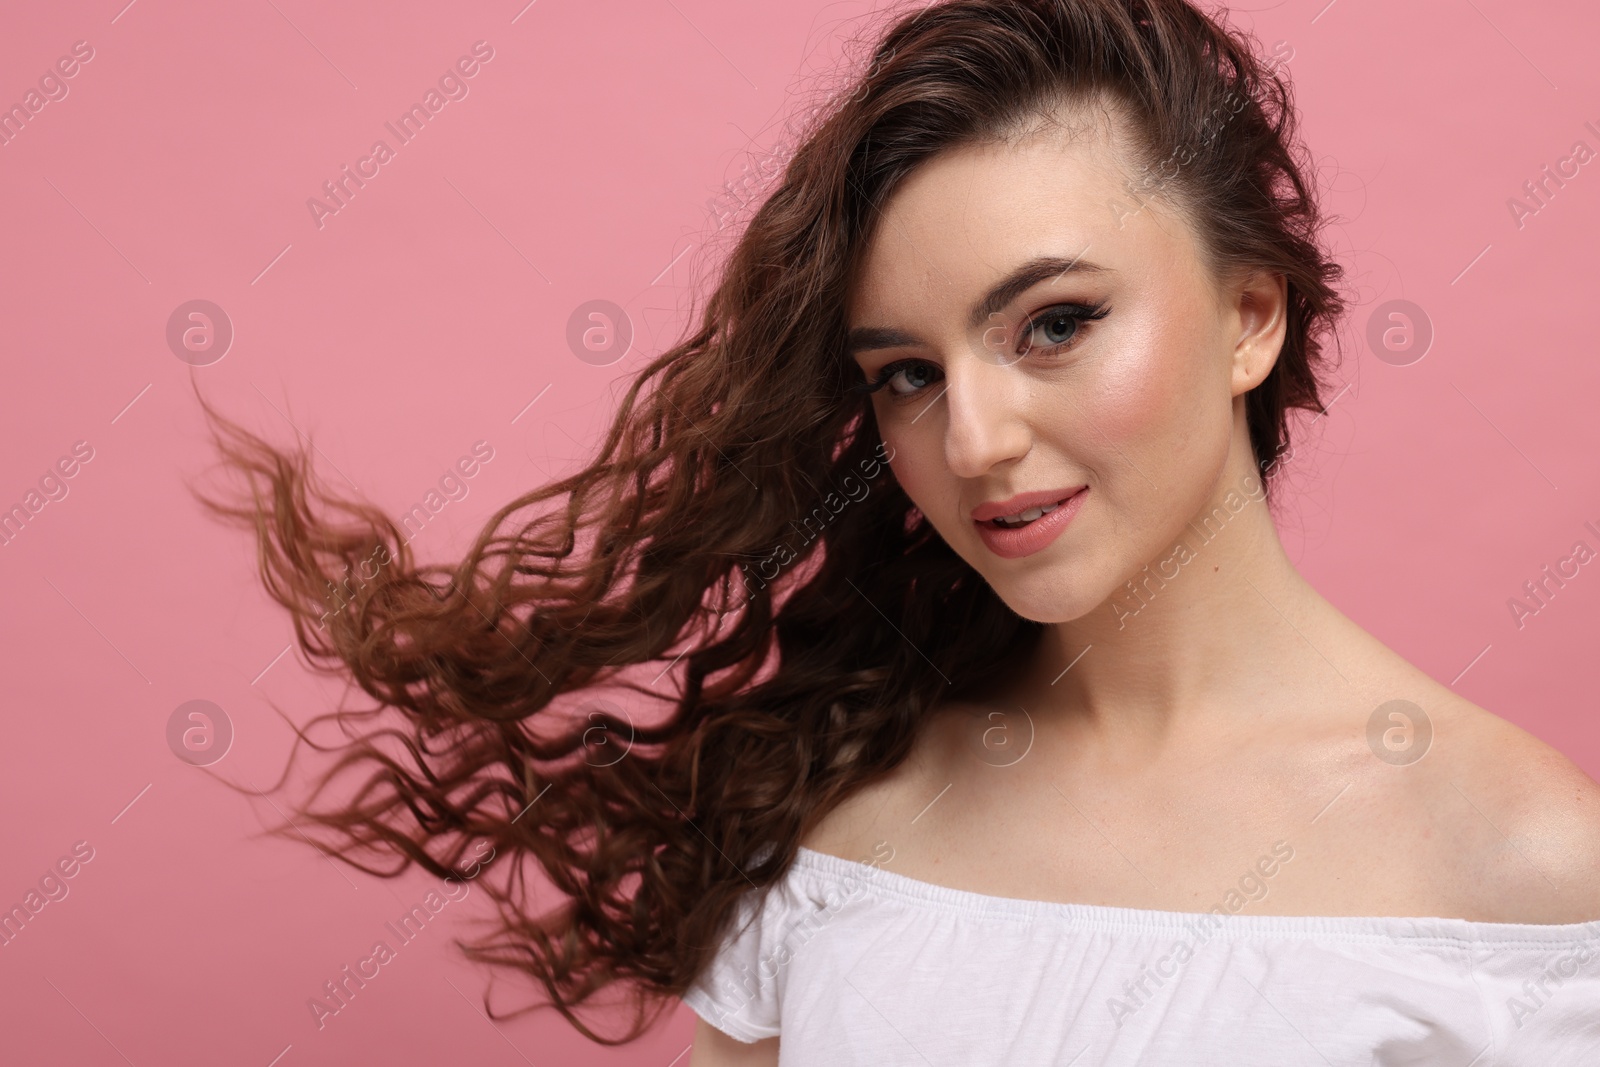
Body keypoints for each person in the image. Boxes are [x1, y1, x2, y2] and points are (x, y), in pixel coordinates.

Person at [196, 0, 1600, 1063]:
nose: (973, 441)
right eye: (908, 375)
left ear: (1251, 316)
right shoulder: (834, 818)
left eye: (1055, 325)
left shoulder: (1521, 870)